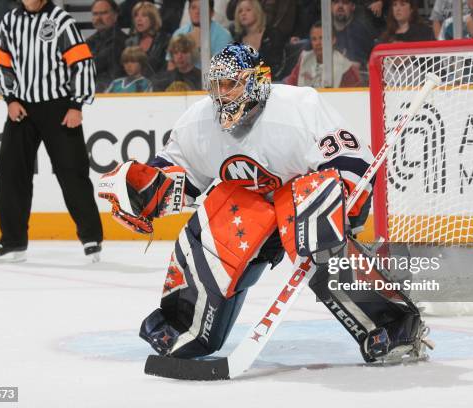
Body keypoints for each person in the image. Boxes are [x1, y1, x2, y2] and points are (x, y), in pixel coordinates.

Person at [97, 43, 432, 363]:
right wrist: (147, 188)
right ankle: (186, 325)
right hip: (249, 211)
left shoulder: (299, 107)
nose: (220, 95)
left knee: (315, 220)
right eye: (216, 85)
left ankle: (393, 324)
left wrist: (343, 198)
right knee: (212, 226)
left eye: (229, 84)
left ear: (254, 82)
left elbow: (351, 160)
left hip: (299, 207)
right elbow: (178, 174)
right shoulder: (199, 121)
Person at [0, 0, 103, 263]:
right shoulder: (9, 21)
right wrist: (10, 99)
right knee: (11, 172)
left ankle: (91, 238)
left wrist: (76, 104)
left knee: (72, 171)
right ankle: (12, 241)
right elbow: (3, 63)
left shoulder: (62, 21)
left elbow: (82, 63)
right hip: (22, 107)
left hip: (59, 107)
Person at [284, 21, 362, 88]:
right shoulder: (304, 59)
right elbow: (290, 86)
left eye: (322, 38)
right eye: (314, 39)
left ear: (333, 40)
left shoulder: (345, 67)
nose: (318, 43)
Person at [167, 0, 232, 70]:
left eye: (202, 9)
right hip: (181, 79)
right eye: (193, 8)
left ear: (212, 13)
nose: (197, 12)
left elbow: (221, 71)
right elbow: (171, 65)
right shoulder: (179, 33)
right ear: (189, 11)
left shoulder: (224, 36)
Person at [231, 0, 285, 76]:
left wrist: (256, 75)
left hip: (272, 82)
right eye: (240, 11)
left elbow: (277, 66)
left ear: (257, 12)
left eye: (248, 10)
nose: (243, 13)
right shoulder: (237, 41)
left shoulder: (272, 34)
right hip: (244, 83)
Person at [87, 0, 127, 92]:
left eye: (104, 13)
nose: (98, 18)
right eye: (95, 14)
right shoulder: (88, 42)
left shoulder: (122, 41)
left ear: (115, 16)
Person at [125, 1, 170, 75]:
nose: (139, 19)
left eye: (144, 15)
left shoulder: (164, 41)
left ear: (153, 19)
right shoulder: (129, 42)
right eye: (136, 15)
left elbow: (166, 70)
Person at [332, 0, 378, 69]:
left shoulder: (360, 31)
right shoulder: (322, 29)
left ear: (353, 7)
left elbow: (359, 66)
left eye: (345, 2)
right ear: (330, 6)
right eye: (336, 2)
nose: (340, 6)